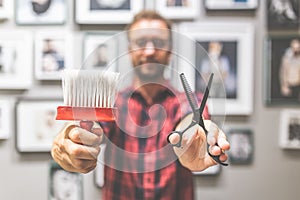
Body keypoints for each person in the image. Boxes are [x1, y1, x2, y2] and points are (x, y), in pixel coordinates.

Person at [51, 10, 230, 200]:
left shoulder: (189, 100)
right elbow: (92, 126)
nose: (150, 51)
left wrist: (192, 138)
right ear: (129, 49)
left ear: (170, 50)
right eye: (141, 43)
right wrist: (71, 139)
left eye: (159, 43)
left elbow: (190, 121)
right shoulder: (113, 103)